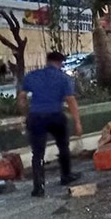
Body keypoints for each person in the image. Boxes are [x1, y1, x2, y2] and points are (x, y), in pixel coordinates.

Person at [17, 51, 83, 197]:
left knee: (37, 153)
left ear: (47, 61)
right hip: (55, 116)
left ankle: (38, 187)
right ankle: (66, 176)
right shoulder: (63, 78)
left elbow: (22, 97)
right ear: (60, 63)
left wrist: (26, 114)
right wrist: (77, 122)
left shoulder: (33, 75)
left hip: (36, 117)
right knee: (63, 146)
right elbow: (71, 101)